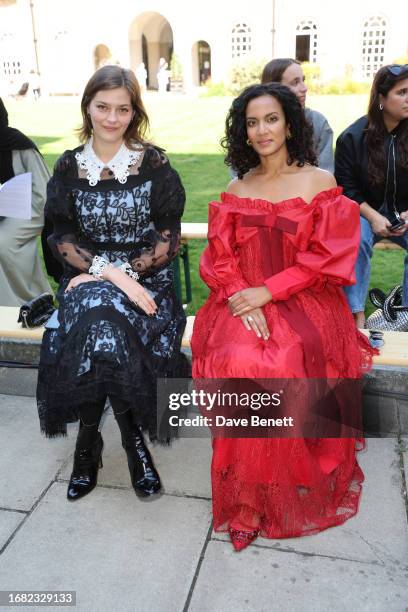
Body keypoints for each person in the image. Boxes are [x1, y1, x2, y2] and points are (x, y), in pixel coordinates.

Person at [191, 83, 376, 551]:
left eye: (271, 119)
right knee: (237, 357)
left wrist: (267, 291)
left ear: (290, 123)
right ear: (243, 132)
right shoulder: (237, 187)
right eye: (252, 122)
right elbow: (219, 258)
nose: (262, 130)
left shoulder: (319, 182)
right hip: (240, 300)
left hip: (304, 297)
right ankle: (249, 497)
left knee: (280, 362)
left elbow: (328, 257)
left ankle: (281, 480)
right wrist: (240, 296)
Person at [36, 65, 186, 502]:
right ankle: (132, 443)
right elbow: (60, 235)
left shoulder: (152, 162)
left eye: (123, 109)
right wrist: (109, 273)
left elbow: (167, 237)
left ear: (134, 112)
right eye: (103, 106)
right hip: (88, 278)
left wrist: (129, 275)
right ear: (87, 106)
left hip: (147, 281)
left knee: (103, 330)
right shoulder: (69, 165)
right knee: (100, 323)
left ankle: (90, 444)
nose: (112, 118)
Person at [335, 64, 408, 328]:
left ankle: (406, 312)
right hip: (363, 212)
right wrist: (374, 217)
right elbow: (345, 188)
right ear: (381, 98)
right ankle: (355, 313)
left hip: (404, 214)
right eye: (402, 92)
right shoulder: (352, 138)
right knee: (356, 239)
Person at [0, 97, 52, 306]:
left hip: (29, 209)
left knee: (2, 243)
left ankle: (26, 300)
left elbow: (44, 190)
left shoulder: (17, 143)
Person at [261, 58, 334, 172]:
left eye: (303, 80)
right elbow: (242, 179)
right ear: (274, 88)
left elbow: (326, 175)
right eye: (295, 82)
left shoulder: (317, 122)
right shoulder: (253, 126)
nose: (304, 88)